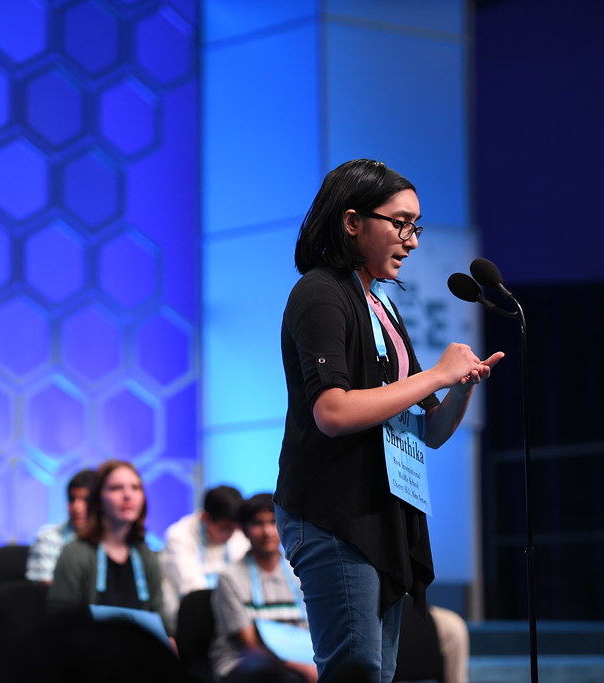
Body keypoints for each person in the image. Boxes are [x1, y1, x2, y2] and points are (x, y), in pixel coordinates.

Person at [274, 159, 503, 683]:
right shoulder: (319, 292)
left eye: (415, 226)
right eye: (400, 223)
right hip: (334, 512)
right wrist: (435, 376)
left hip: (383, 511)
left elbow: (429, 432)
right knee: (354, 671)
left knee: (378, 673)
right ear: (353, 222)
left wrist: (458, 388)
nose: (412, 240)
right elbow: (332, 412)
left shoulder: (382, 307)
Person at [46, 459, 173, 638]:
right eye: (116, 488)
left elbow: (159, 618)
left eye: (135, 488)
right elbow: (59, 624)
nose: (128, 495)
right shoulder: (75, 553)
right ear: (97, 500)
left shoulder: (147, 555)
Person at [211, 493, 316, 683]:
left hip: (302, 661)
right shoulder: (230, 578)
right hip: (244, 663)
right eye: (258, 523)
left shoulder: (300, 573)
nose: (267, 531)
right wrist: (304, 668)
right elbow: (250, 646)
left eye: (272, 522)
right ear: (244, 530)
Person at [161, 485, 251, 600]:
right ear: (205, 518)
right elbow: (193, 591)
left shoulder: (239, 534)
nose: (231, 535)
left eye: (235, 529)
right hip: (188, 609)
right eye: (225, 529)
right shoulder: (178, 537)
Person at [26, 468, 97, 583]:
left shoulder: (114, 540)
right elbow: (47, 589)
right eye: (71, 499)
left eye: (85, 500)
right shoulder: (48, 537)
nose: (77, 507)